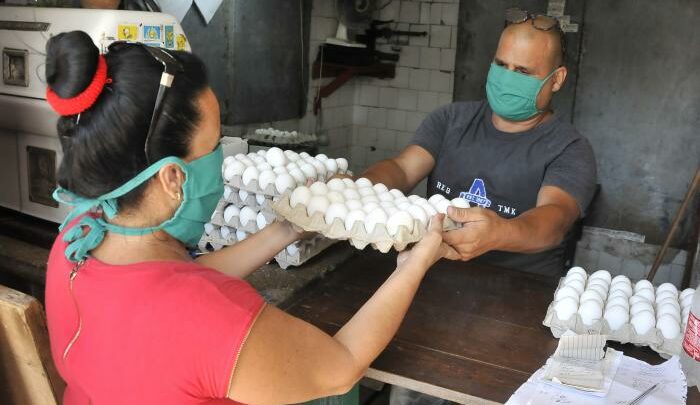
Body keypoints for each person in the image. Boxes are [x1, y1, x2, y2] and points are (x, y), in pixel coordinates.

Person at [44, 31, 452, 405]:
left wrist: (285, 230)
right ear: (172, 177)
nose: (221, 156)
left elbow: (178, 281)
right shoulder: (204, 318)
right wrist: (413, 266)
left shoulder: (76, 238)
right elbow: (342, 366)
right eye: (214, 143)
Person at [352, 10, 597, 279]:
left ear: (557, 79)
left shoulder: (570, 148)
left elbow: (554, 219)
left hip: (517, 290)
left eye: (523, 71)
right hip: (432, 272)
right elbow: (402, 169)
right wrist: (356, 190)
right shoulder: (451, 120)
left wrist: (501, 233)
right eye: (501, 65)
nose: (508, 78)